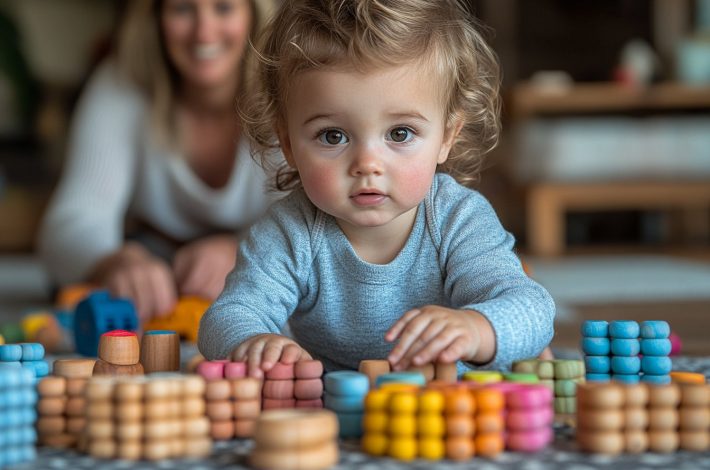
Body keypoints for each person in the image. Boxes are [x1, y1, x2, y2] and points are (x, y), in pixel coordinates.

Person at [198, 0, 555, 377]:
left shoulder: (458, 218)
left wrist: (476, 329)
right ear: (288, 145)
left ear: (447, 136)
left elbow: (532, 307)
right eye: (332, 136)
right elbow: (226, 316)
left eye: (400, 133)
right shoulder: (290, 231)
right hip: (335, 410)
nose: (367, 164)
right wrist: (253, 342)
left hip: (448, 409)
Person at [38, 0, 278, 320]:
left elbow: (325, 224)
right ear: (155, 18)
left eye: (223, 8)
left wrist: (245, 251)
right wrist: (114, 261)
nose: (203, 32)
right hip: (151, 288)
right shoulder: (121, 82)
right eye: (181, 9)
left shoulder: (289, 88)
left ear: (253, 15)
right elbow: (67, 226)